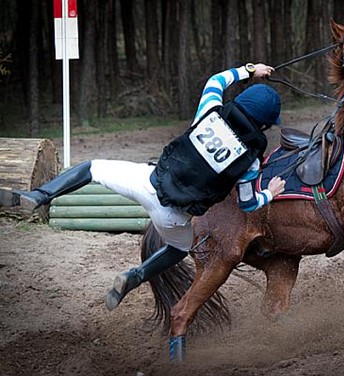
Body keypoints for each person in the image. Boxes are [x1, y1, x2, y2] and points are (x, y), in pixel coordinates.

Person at [0, 63, 286, 311]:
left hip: (147, 183)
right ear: (263, 126)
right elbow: (248, 203)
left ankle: (36, 196)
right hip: (173, 217)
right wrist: (269, 194)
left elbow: (216, 81)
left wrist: (250, 70)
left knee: (91, 168)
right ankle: (135, 276)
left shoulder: (209, 111)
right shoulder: (250, 160)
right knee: (178, 248)